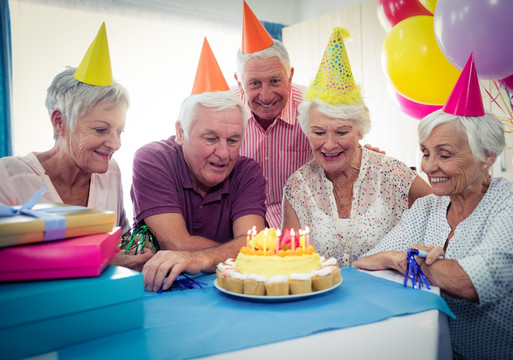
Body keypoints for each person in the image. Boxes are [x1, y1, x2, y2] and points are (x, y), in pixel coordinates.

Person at [353, 55, 513, 359]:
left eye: (445, 154)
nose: (429, 166)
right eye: (426, 153)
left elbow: (474, 282)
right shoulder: (427, 207)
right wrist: (398, 257)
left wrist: (411, 263)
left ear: (488, 155)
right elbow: (366, 262)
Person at [0, 23, 152, 271]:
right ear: (60, 122)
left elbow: (120, 237)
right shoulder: (8, 177)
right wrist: (102, 259)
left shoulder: (110, 171)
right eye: (101, 130)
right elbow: (8, 264)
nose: (115, 144)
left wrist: (135, 245)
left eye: (119, 131)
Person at [282, 27, 432, 267]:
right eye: (319, 132)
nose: (329, 145)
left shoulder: (393, 175)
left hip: (386, 299)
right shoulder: (297, 187)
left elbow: (443, 215)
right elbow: (288, 264)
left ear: (360, 130)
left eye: (342, 132)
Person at [132, 38, 266, 292]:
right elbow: (176, 243)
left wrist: (200, 257)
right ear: (181, 133)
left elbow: (256, 245)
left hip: (231, 291)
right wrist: (234, 249)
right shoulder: (152, 159)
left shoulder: (248, 172)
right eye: (211, 138)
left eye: (234, 140)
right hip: (164, 292)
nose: (224, 153)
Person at [231, 1, 312, 228]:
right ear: (239, 82)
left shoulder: (314, 108)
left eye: (275, 81)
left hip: (300, 223)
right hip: (237, 223)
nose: (266, 96)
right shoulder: (222, 111)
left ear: (290, 76)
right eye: (254, 83)